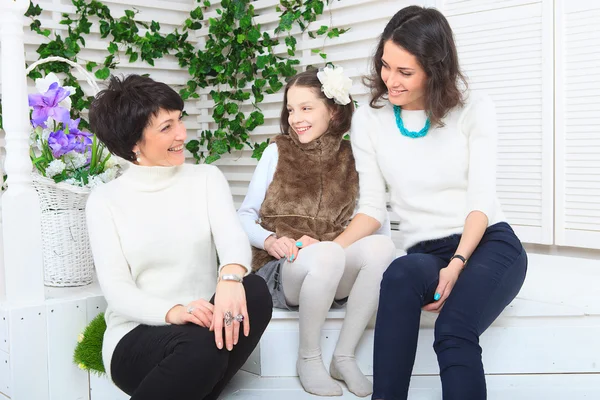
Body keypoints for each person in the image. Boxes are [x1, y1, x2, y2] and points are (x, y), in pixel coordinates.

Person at [333, 6, 528, 400]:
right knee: (401, 274)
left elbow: (480, 200)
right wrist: (329, 252)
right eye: (386, 66)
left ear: (434, 70)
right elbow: (371, 207)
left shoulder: (474, 109)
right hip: (426, 252)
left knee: (454, 329)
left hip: (487, 242)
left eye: (405, 72)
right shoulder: (370, 121)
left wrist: (458, 263)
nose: (390, 80)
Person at [85, 74, 272, 400]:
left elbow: (232, 238)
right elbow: (117, 291)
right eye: (166, 127)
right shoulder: (105, 201)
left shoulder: (206, 179)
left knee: (254, 291)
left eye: (179, 120)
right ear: (133, 143)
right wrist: (173, 312)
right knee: (200, 345)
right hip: (138, 336)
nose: (182, 134)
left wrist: (229, 277)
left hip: (203, 326)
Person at [238, 67, 396, 397]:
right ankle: (309, 358)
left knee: (381, 248)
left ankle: (344, 355)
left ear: (334, 110)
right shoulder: (276, 151)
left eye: (306, 108)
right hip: (282, 270)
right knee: (325, 254)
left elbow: (376, 221)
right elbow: (244, 216)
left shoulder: (355, 158)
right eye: (291, 109)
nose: (296, 118)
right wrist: (270, 240)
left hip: (331, 269)